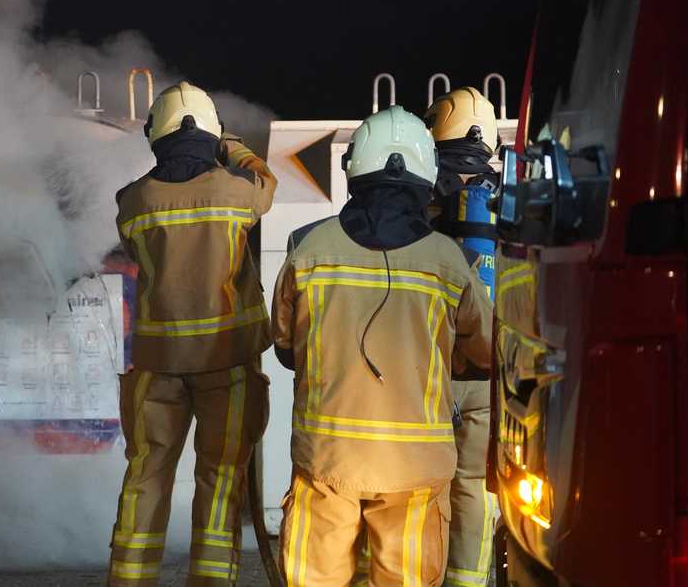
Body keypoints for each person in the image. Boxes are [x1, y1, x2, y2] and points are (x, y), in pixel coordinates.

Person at [271, 105, 492, 587]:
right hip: (415, 468)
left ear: (354, 169)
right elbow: (485, 354)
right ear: (426, 176)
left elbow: (286, 348)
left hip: (327, 460)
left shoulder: (309, 250)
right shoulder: (448, 262)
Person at [107, 81, 277, 586]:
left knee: (145, 478)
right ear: (210, 135)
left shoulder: (133, 201)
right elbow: (265, 183)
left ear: (156, 137)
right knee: (220, 480)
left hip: (157, 369)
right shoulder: (237, 192)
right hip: (227, 364)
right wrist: (232, 143)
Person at [424, 87, 504, 587]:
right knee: (475, 487)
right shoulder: (510, 195)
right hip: (491, 374)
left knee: (421, 485)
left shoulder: (420, 191)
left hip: (430, 371)